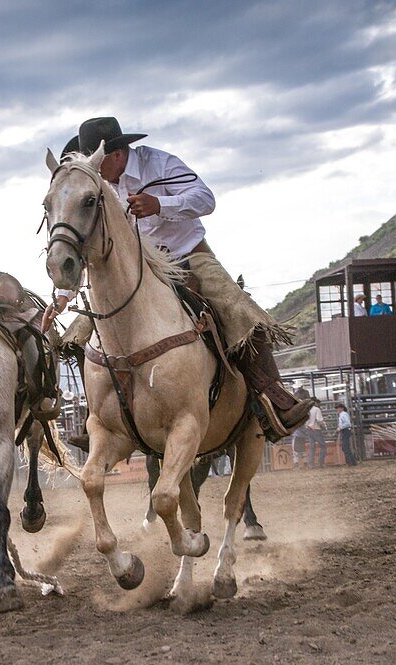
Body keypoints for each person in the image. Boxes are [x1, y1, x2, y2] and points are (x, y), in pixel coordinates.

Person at [48, 117, 312, 443]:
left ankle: (273, 400)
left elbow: (205, 198)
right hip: (135, 270)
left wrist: (161, 204)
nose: (95, 169)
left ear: (115, 154)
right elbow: (87, 240)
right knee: (80, 334)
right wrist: (63, 295)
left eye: (98, 161)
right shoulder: (94, 187)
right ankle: (102, 417)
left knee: (238, 310)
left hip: (188, 256)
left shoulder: (159, 163)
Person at [305, 398, 327, 468]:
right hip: (316, 429)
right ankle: (321, 462)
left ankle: (310, 464)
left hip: (308, 429)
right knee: (323, 445)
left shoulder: (306, 410)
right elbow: (319, 421)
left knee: (312, 447)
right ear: (315, 403)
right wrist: (324, 428)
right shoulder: (316, 409)